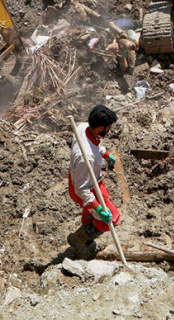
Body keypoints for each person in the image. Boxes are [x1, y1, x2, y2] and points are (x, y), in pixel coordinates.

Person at [66, 105, 120, 260]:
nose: (109, 131)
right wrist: (98, 208)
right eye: (108, 129)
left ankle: (86, 236)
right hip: (85, 187)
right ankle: (78, 240)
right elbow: (81, 190)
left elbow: (94, 143)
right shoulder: (86, 158)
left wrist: (105, 153)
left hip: (92, 180)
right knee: (110, 217)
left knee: (92, 215)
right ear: (100, 128)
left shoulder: (83, 128)